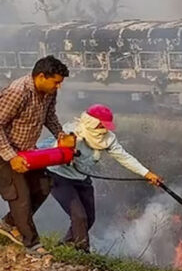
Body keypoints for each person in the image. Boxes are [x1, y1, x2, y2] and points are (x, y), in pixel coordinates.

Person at [37, 104, 162, 253]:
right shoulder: (72, 132)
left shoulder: (108, 139)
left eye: (106, 127)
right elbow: (53, 148)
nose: (105, 130)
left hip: (82, 178)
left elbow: (124, 157)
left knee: (89, 218)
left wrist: (147, 173)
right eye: (102, 126)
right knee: (79, 216)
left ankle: (65, 246)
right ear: (92, 123)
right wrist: (65, 153)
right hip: (59, 177)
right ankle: (82, 251)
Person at [0, 55, 74, 256]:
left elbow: (49, 116)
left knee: (43, 186)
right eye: (56, 82)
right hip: (6, 152)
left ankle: (8, 223)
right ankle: (32, 244)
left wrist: (60, 135)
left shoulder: (48, 93)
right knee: (20, 197)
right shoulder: (18, 92)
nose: (58, 87)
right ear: (41, 76)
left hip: (27, 151)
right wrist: (11, 156)